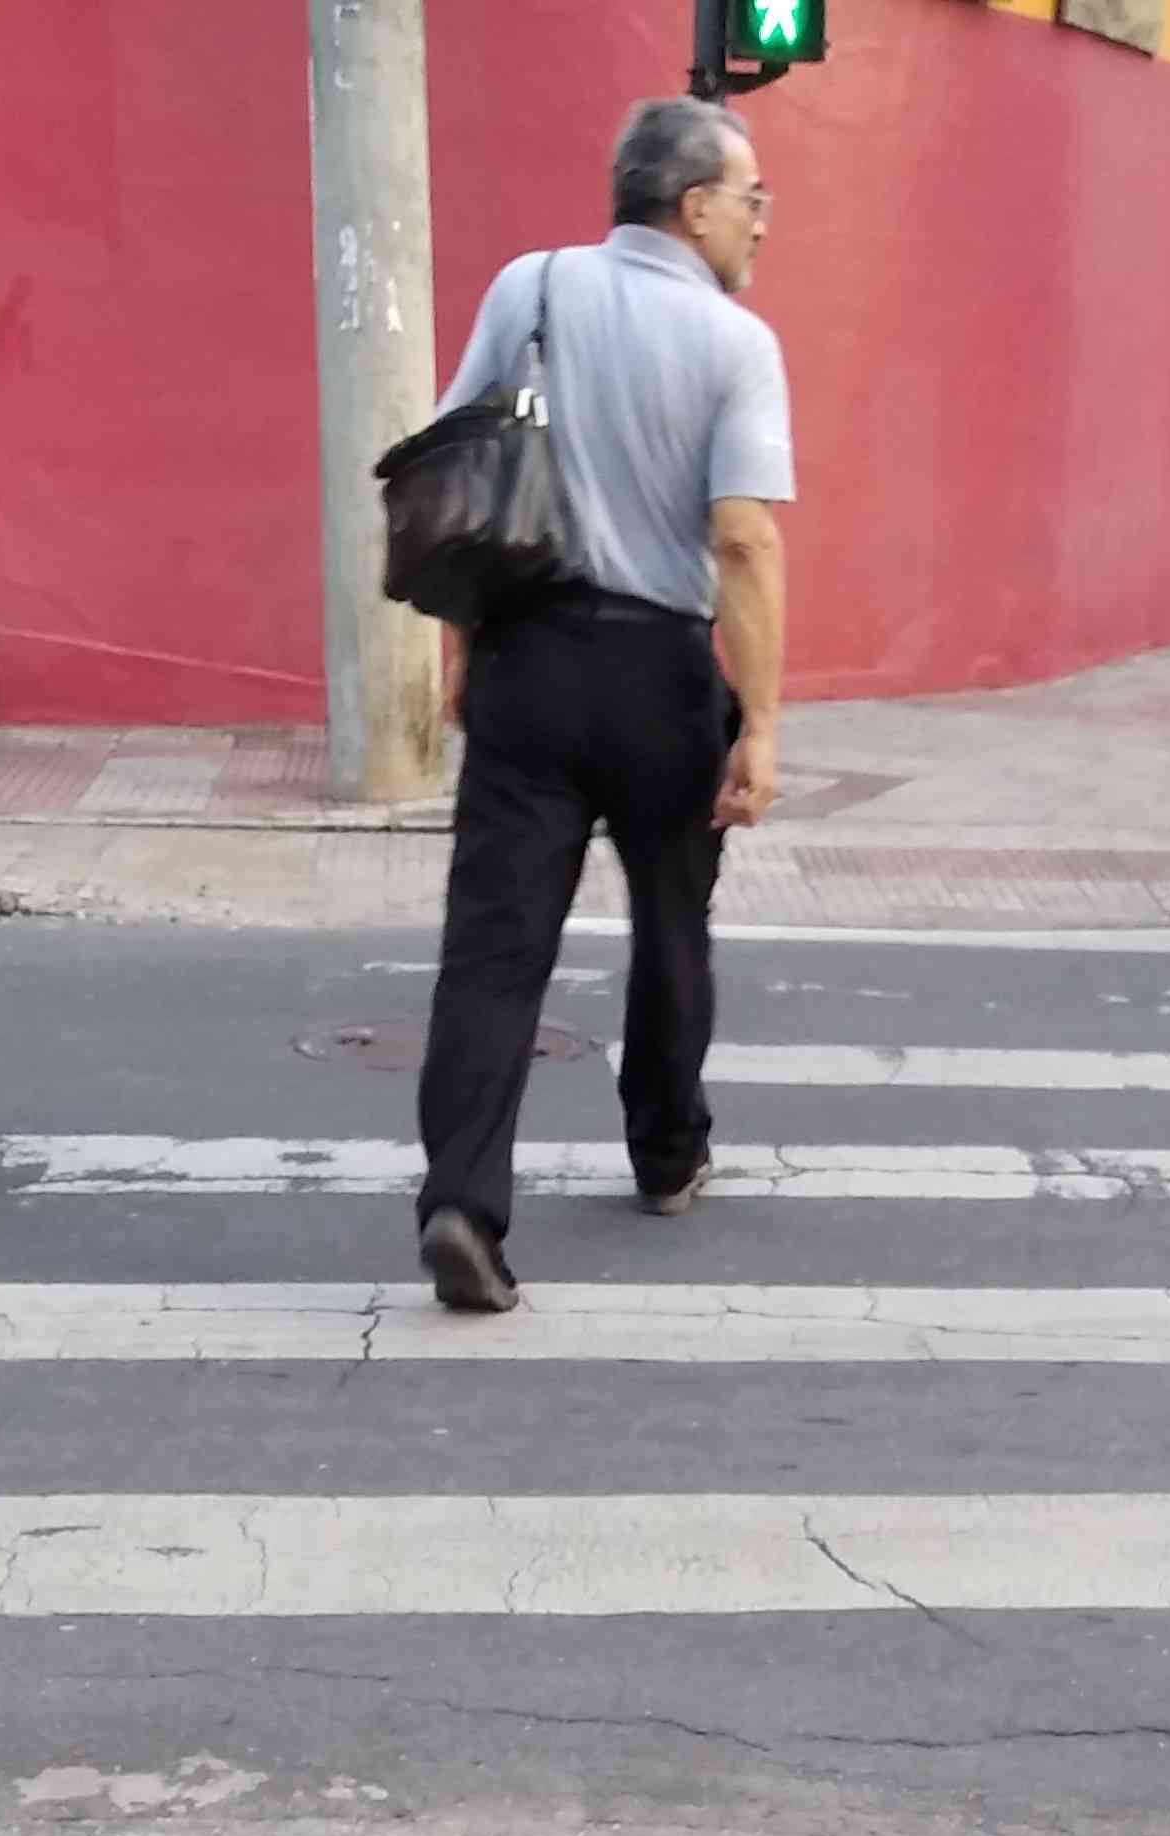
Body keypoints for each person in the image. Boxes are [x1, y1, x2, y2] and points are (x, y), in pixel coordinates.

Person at [412, 97, 794, 1317]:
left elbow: (459, 470)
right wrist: (763, 725)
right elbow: (742, 539)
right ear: (694, 205)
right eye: (751, 200)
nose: (760, 224)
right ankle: (668, 1153)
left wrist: (464, 644)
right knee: (671, 921)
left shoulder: (529, 289)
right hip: (659, 674)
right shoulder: (736, 344)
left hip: (525, 657)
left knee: (494, 945)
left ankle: (462, 1204)